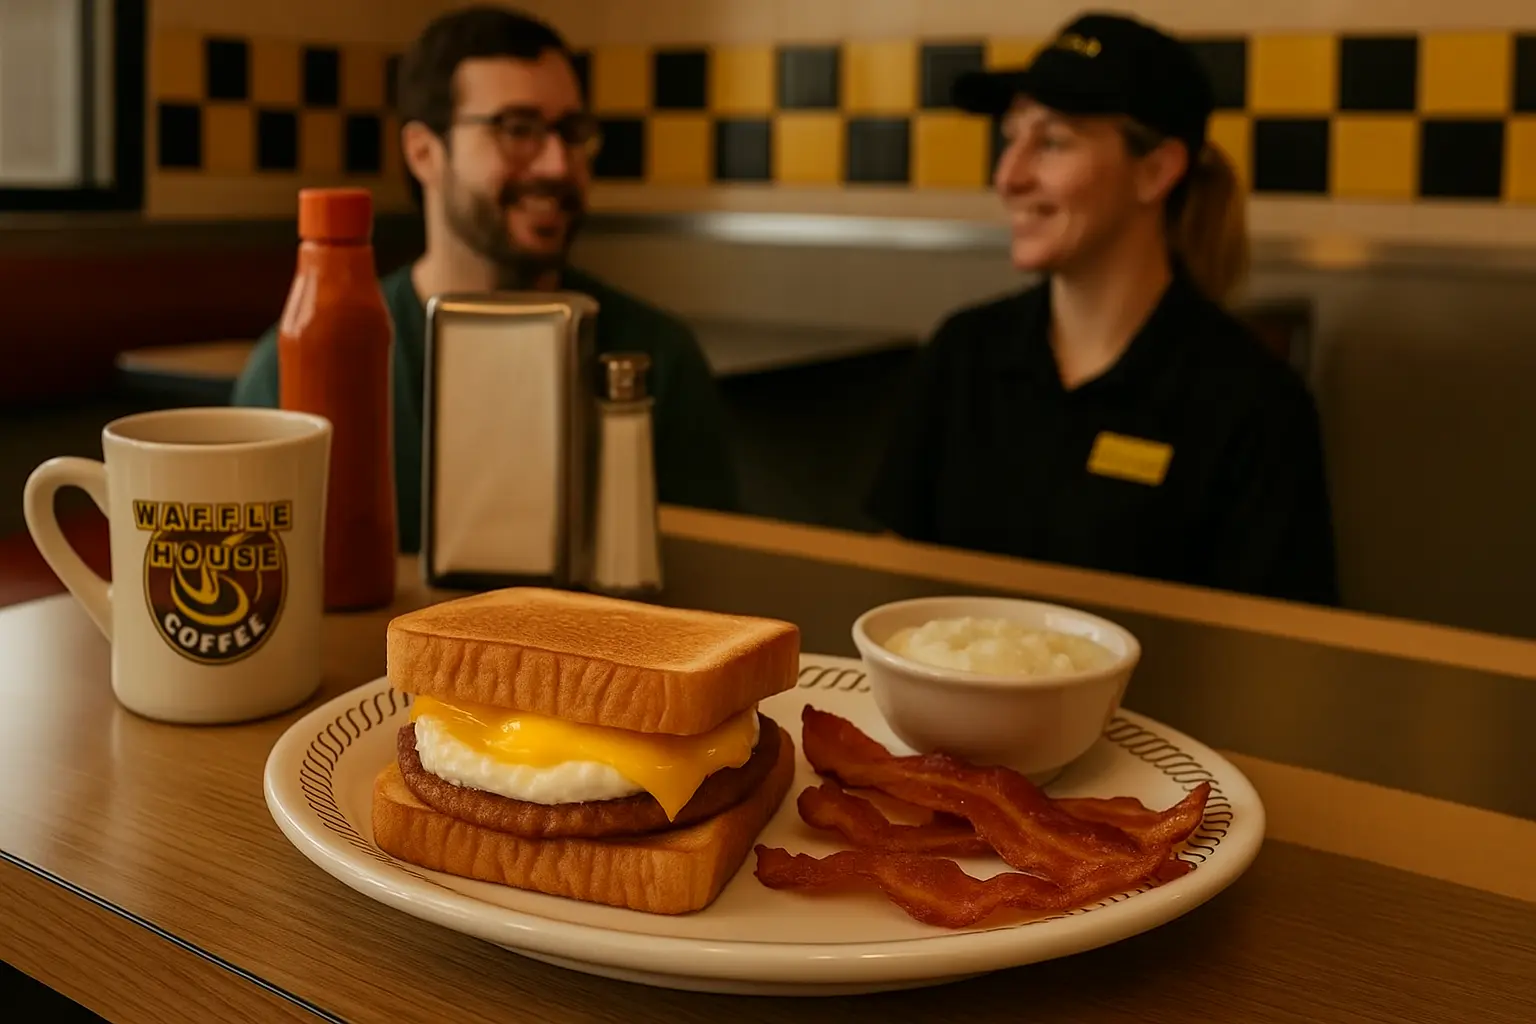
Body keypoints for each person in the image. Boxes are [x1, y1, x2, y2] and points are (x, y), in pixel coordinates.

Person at [866, 12, 1339, 605]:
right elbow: (890, 579)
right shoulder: (964, 352)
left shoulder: (1253, 404)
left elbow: (1280, 653)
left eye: (1054, 142)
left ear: (1156, 170)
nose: (1007, 176)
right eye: (1012, 138)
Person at [231, 5, 739, 554]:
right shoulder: (305, 367)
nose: (556, 165)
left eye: (571, 132)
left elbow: (712, 585)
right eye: (516, 129)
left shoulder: (658, 359)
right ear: (424, 153)